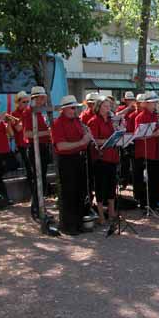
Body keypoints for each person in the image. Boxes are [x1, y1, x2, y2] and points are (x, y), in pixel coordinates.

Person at [51, 95, 89, 235]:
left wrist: (87, 136)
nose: (75, 110)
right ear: (65, 109)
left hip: (79, 158)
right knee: (69, 193)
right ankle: (69, 225)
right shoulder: (58, 123)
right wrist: (81, 142)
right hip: (67, 160)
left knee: (80, 192)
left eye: (76, 108)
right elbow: (60, 146)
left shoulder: (77, 121)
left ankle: (78, 223)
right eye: (73, 108)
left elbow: (83, 136)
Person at [88, 96, 120, 225]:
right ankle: (101, 215)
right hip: (100, 158)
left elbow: (115, 135)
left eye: (109, 107)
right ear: (98, 107)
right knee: (101, 187)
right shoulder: (94, 121)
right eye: (105, 106)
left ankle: (111, 212)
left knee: (112, 185)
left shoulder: (111, 120)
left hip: (112, 156)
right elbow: (93, 140)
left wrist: (118, 132)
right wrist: (108, 140)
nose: (108, 109)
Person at [22, 86, 52, 220]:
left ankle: (40, 206)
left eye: (44, 97)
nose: (43, 100)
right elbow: (28, 133)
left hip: (44, 146)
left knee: (43, 179)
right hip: (35, 148)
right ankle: (35, 208)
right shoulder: (28, 112)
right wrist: (47, 133)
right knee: (38, 179)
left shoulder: (41, 111)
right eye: (41, 97)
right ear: (35, 98)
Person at [134, 92, 159, 211]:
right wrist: (154, 134)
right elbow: (138, 136)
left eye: (156, 103)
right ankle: (145, 203)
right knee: (147, 179)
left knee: (155, 178)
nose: (155, 105)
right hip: (145, 152)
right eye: (153, 103)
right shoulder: (140, 117)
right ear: (146, 104)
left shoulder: (155, 116)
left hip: (155, 150)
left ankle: (155, 202)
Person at [10, 91, 33, 185]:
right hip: (22, 143)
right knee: (28, 164)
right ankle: (31, 182)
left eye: (28, 102)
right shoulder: (14, 113)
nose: (26, 104)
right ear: (18, 102)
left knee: (33, 163)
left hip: (31, 140)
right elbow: (18, 128)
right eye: (24, 102)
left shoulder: (30, 111)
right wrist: (24, 117)